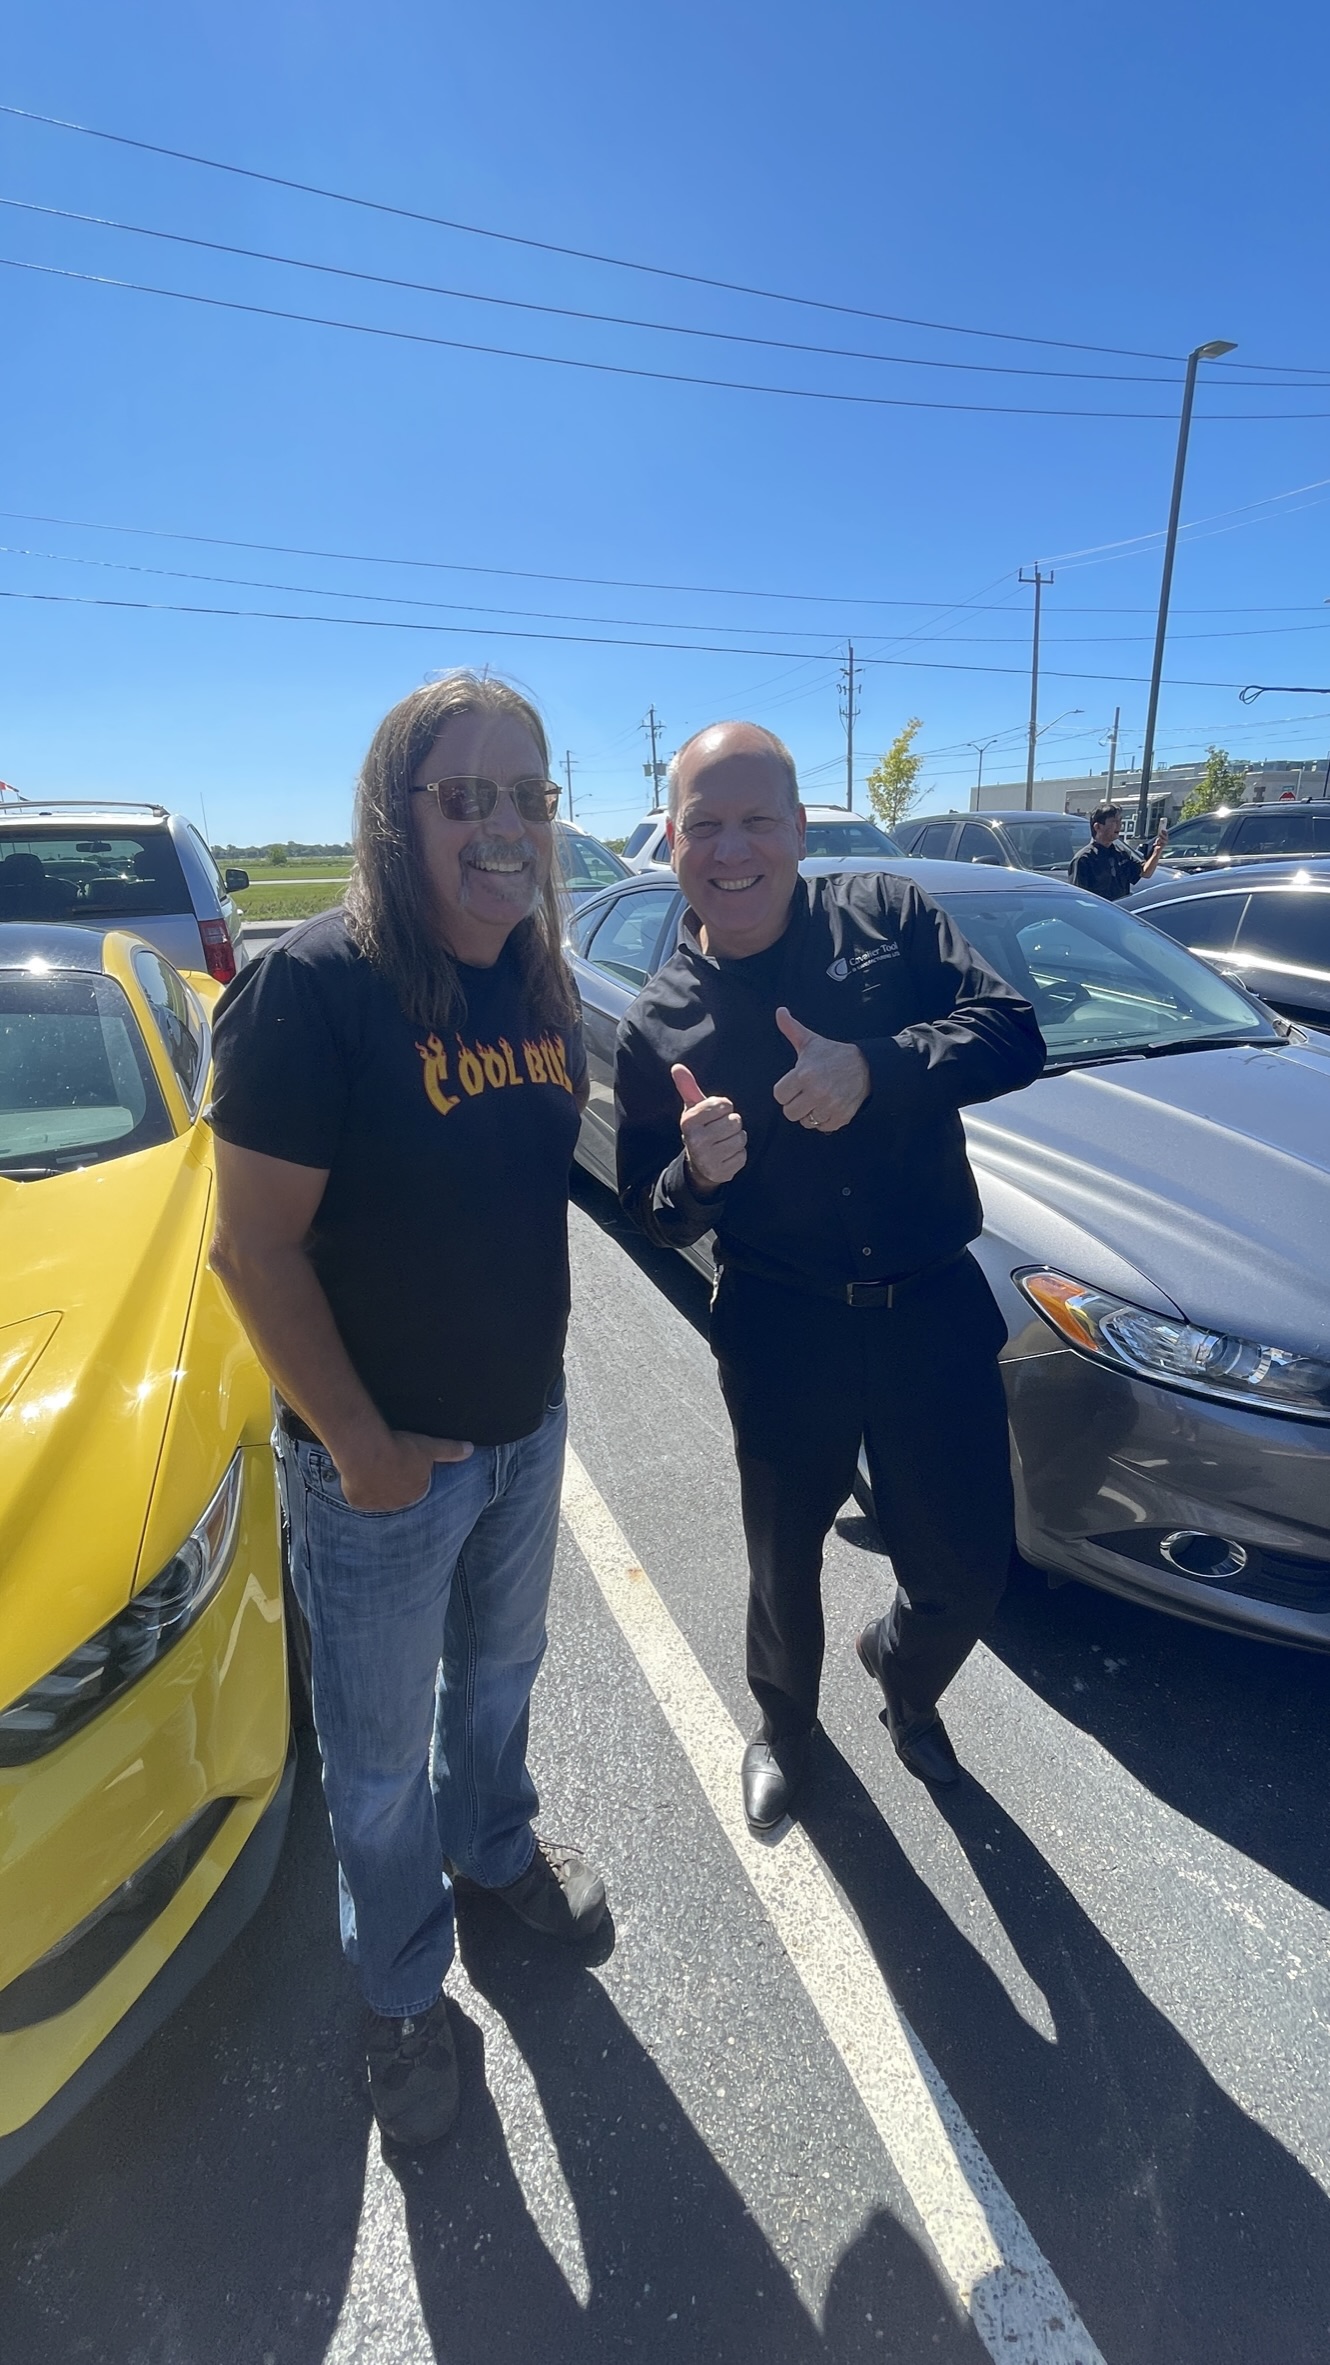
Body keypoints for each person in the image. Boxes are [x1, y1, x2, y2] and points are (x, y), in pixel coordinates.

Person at [208, 672, 606, 2150]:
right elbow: (250, 1250)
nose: (505, 825)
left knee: (499, 1685)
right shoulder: (313, 990)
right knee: (374, 1769)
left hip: (522, 1430)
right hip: (378, 1471)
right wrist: (363, 1447)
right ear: (397, 817)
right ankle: (397, 1991)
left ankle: (493, 1849)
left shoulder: (541, 981)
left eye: (527, 795)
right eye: (466, 796)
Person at [615, 723, 1046, 1835]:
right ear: (673, 843)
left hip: (930, 1302)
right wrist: (694, 1176)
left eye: (758, 819)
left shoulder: (886, 916)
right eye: (705, 825)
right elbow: (647, 1210)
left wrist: (878, 1065)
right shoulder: (660, 1020)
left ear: (800, 829)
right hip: (780, 1325)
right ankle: (784, 1728)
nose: (733, 849)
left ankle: (901, 1669)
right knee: (782, 1559)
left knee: (967, 1566)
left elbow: (1013, 1032)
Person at [1068, 801, 1168, 900]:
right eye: (1114, 821)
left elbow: (1145, 873)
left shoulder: (1121, 853)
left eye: (1120, 820)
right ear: (1097, 827)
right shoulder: (1084, 859)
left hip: (1119, 908)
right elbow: (1079, 898)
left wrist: (1157, 850)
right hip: (1098, 909)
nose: (1120, 825)